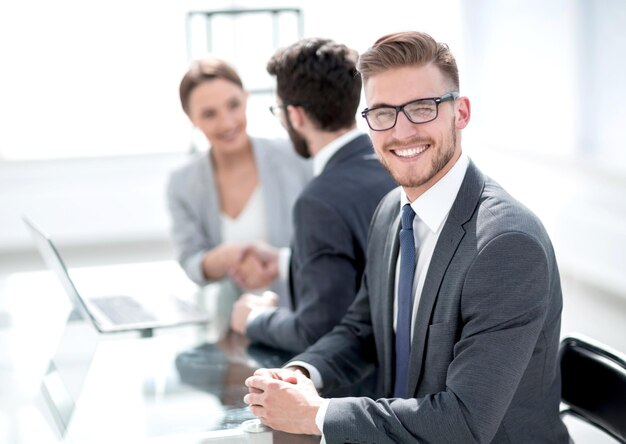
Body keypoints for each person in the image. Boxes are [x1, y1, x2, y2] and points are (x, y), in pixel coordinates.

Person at [243, 31, 571, 443]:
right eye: (383, 112)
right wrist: (300, 374)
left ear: (461, 112)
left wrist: (318, 414)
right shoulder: (391, 212)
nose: (402, 131)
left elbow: (463, 423)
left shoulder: (506, 245)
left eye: (422, 108)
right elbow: (362, 330)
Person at [230, 38, 396, 354]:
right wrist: (285, 262)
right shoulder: (392, 166)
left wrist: (254, 319)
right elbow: (367, 267)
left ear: (296, 116)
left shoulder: (318, 201)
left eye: (277, 109)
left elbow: (318, 331)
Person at [166, 58, 310, 301]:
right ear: (191, 118)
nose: (227, 122)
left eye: (233, 105)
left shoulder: (295, 159)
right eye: (209, 114)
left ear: (246, 98)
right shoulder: (182, 184)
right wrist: (224, 258)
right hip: (229, 327)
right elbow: (190, 261)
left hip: (298, 318)